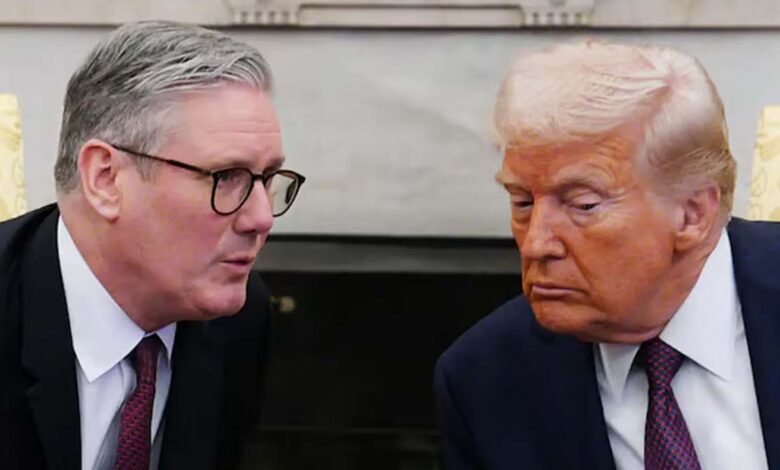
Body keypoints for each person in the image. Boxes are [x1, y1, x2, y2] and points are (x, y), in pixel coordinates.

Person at [435, 41, 780, 470]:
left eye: (583, 205)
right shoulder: (485, 378)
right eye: (522, 202)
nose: (536, 243)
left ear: (693, 214)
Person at [0, 21, 305, 469]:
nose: (261, 218)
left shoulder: (238, 318)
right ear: (106, 178)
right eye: (226, 177)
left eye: (267, 178)